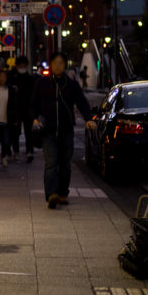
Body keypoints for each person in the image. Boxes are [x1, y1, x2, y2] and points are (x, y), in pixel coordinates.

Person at [31, 52, 96, 209]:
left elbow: (82, 102)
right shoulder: (42, 83)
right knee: (51, 162)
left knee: (65, 164)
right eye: (55, 63)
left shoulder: (71, 84)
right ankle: (51, 194)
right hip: (48, 131)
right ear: (51, 65)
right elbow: (33, 103)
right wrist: (34, 118)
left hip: (67, 130)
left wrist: (89, 118)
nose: (58, 66)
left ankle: (62, 193)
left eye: (61, 63)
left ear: (65, 65)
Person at [9, 56, 37, 163]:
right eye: (20, 66)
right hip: (15, 109)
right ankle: (16, 150)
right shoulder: (12, 78)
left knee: (28, 131)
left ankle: (29, 150)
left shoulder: (30, 79)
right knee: (15, 131)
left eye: (24, 66)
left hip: (27, 109)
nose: (22, 67)